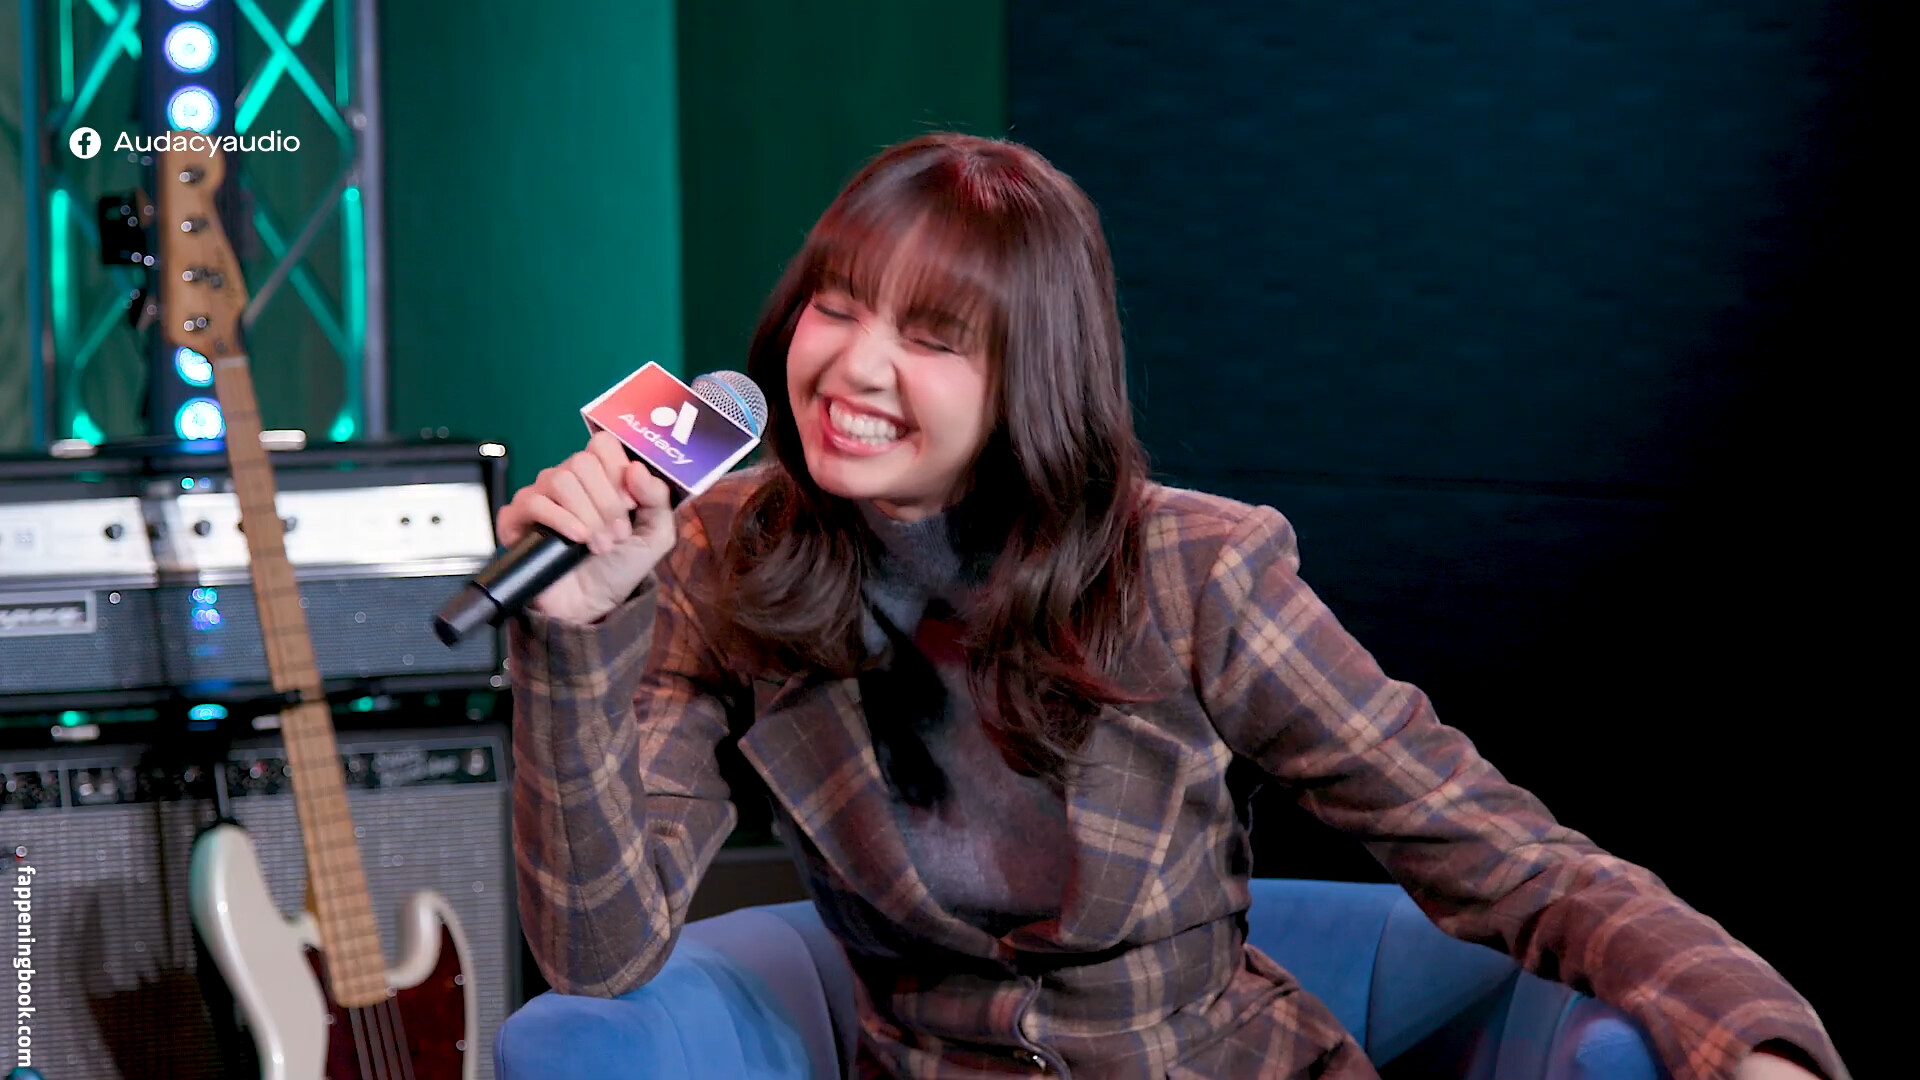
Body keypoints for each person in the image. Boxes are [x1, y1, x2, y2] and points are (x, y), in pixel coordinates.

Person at [498, 133, 1845, 1079]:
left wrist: (1751, 1043)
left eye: (931, 337)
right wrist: (574, 638)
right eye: (835, 310)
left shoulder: (1194, 572)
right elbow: (598, 955)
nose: (853, 369)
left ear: (1030, 377)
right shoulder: (725, 554)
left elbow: (1509, 858)